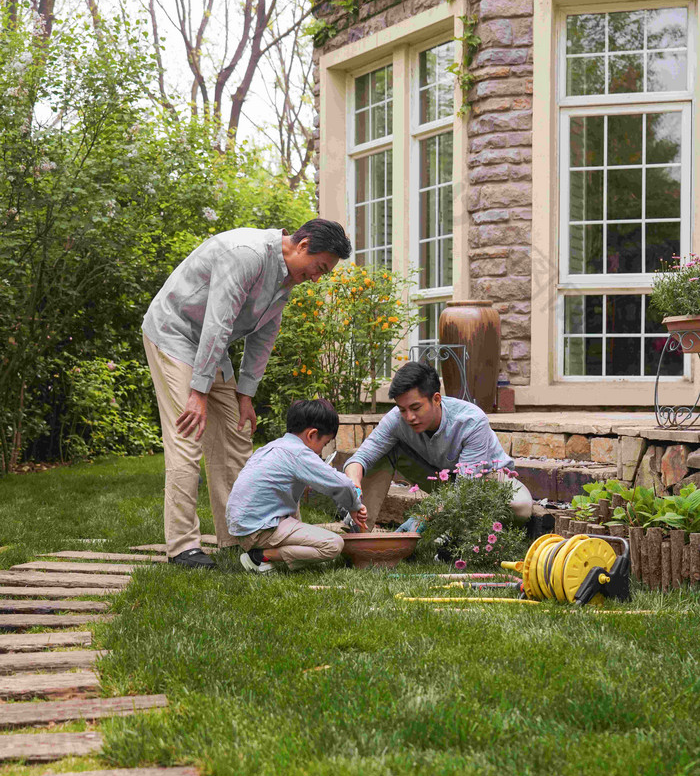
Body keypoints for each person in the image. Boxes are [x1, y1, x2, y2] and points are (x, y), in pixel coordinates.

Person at [142, 219, 352, 568]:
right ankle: (182, 547)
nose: (317, 278)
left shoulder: (286, 279)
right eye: (320, 267)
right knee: (187, 437)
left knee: (237, 434)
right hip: (175, 333)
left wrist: (244, 396)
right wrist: (198, 392)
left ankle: (238, 534)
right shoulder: (246, 254)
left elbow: (262, 338)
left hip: (211, 345)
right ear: (303, 246)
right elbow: (218, 321)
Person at [343, 361, 532, 530]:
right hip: (441, 478)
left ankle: (471, 532)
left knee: (520, 506)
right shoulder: (396, 418)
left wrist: (422, 516)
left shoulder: (471, 421)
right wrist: (354, 486)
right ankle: (359, 530)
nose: (409, 417)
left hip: (484, 479)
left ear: (436, 399)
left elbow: (466, 489)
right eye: (402, 409)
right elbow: (360, 458)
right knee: (380, 453)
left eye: (416, 408)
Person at [226, 398, 367, 573]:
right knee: (333, 544)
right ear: (311, 434)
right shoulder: (299, 453)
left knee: (311, 538)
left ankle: (267, 552)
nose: (321, 451)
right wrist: (354, 506)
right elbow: (343, 485)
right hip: (261, 529)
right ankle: (260, 557)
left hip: (245, 525)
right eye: (323, 444)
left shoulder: (273, 446)